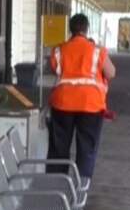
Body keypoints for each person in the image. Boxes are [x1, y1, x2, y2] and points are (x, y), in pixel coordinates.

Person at [46, 13, 116, 181]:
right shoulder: (97, 51)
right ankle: (81, 186)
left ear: (70, 30)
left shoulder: (58, 50)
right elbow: (111, 73)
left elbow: (54, 69)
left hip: (62, 103)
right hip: (90, 105)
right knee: (86, 148)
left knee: (58, 147)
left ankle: (56, 184)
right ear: (86, 29)